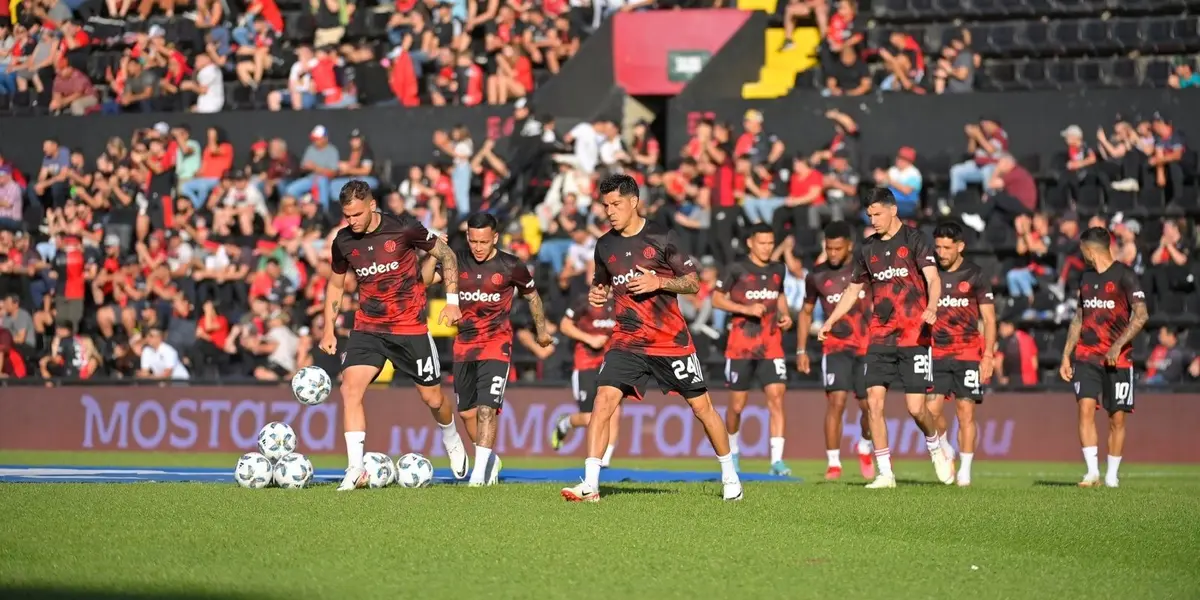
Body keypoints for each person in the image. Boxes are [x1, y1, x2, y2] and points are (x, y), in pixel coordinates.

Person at [560, 174, 743, 502]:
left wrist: (659, 282)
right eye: (606, 206)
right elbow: (600, 282)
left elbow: (692, 282)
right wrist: (597, 294)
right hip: (627, 341)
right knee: (602, 402)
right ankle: (590, 485)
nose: (610, 211)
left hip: (670, 341)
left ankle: (730, 475)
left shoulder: (662, 236)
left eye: (616, 204)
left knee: (703, 409)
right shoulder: (604, 245)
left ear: (634, 202)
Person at [318, 180, 469, 492]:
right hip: (368, 327)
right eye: (347, 216)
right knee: (350, 390)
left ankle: (450, 435)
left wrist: (453, 304)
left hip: (409, 328)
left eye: (356, 215)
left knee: (432, 398)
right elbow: (335, 285)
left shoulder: (403, 228)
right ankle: (355, 468)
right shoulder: (343, 241)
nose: (352, 222)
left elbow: (448, 256)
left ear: (372, 205)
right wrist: (328, 327)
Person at [819, 187, 955, 488]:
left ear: (893, 210)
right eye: (869, 215)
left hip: (915, 336)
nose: (873, 220)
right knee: (875, 404)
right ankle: (885, 473)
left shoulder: (916, 240)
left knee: (916, 408)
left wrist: (932, 307)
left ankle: (936, 446)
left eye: (877, 213)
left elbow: (933, 278)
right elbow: (853, 290)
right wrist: (831, 319)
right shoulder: (867, 249)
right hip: (880, 337)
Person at [420, 212, 552, 486]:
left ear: (495, 237)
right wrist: (435, 252)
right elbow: (423, 281)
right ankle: (490, 459)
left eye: (483, 241)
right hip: (464, 345)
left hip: (496, 342)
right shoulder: (455, 261)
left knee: (485, 410)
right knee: (467, 413)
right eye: (473, 240)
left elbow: (533, 296)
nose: (478, 247)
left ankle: (478, 477)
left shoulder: (510, 265)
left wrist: (541, 331)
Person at [1059, 226, 1149, 488]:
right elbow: (1078, 316)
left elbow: (1141, 314)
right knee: (1085, 408)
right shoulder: (1085, 278)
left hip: (1118, 359)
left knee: (1117, 417)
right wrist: (1067, 354)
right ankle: (1091, 473)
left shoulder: (1126, 275)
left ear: (1089, 250)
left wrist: (1118, 345)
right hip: (1087, 356)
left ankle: (1111, 475)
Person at [711, 223, 793, 475]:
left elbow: (779, 295)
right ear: (751, 243)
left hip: (771, 344)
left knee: (777, 399)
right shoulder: (736, 268)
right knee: (736, 406)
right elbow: (716, 299)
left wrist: (786, 314)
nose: (767, 248)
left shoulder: (779, 269)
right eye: (762, 243)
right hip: (741, 346)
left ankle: (776, 461)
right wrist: (746, 309)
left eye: (770, 243)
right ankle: (733, 451)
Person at [797, 221, 874, 481]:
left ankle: (864, 446)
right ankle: (833, 463)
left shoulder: (865, 270)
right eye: (828, 248)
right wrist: (801, 350)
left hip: (866, 345)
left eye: (837, 248)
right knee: (836, 403)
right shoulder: (817, 276)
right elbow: (806, 313)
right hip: (835, 347)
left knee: (869, 406)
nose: (832, 253)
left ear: (849, 246)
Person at [926, 222, 996, 487]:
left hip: (968, 352)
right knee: (930, 409)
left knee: (965, 412)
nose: (941, 252)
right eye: (938, 247)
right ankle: (945, 447)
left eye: (946, 247)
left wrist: (987, 355)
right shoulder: (930, 274)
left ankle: (965, 471)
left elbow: (989, 319)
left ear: (960, 247)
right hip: (937, 351)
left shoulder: (975, 274)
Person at [550, 294, 626, 466]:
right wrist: (590, 339)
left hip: (611, 364)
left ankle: (605, 458)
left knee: (615, 410)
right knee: (590, 417)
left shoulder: (622, 303)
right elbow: (564, 325)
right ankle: (564, 423)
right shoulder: (586, 301)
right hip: (586, 364)